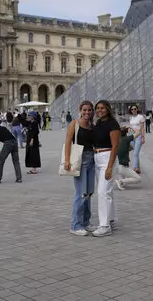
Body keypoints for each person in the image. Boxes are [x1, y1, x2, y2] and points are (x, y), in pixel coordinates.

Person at [64, 101, 96, 236]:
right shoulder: (74, 124)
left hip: (92, 160)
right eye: (84, 110)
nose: (87, 112)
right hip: (79, 160)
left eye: (89, 110)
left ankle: (85, 222)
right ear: (80, 110)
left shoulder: (92, 125)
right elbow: (67, 142)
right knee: (80, 194)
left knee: (88, 194)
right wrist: (67, 160)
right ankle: (75, 225)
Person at [92, 100, 121, 237]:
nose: (99, 110)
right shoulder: (98, 123)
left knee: (103, 192)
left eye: (102, 108)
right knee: (107, 191)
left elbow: (115, 146)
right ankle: (111, 218)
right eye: (97, 108)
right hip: (98, 157)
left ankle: (104, 226)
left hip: (107, 158)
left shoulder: (112, 124)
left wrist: (109, 167)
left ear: (108, 109)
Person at [0, 119, 22, 184]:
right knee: (16, 161)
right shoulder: (3, 128)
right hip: (14, 142)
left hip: (8, 143)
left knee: (1, 161)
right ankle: (19, 178)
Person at [129, 104, 145, 174]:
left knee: (135, 153)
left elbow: (142, 128)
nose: (133, 110)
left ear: (137, 109)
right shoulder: (131, 118)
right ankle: (138, 169)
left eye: (135, 109)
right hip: (132, 136)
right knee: (136, 153)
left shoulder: (140, 117)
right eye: (132, 109)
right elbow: (131, 127)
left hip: (138, 136)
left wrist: (143, 137)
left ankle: (135, 168)